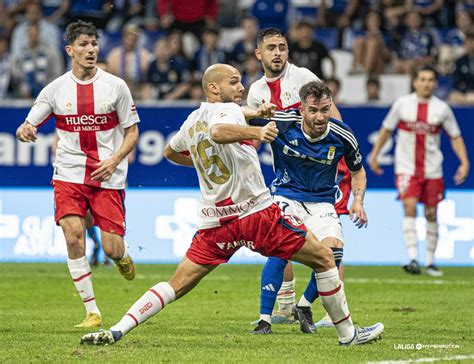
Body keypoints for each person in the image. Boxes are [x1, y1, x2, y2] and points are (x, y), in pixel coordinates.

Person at [80, 63, 384, 346]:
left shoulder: (192, 120)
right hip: (255, 215)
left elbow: (171, 153)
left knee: (176, 284)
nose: (241, 87)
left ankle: (118, 329)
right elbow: (219, 130)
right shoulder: (227, 112)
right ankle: (348, 334)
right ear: (213, 88)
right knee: (325, 259)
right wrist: (256, 131)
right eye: (234, 82)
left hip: (216, 224)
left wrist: (205, 159)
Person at [15, 20, 139, 328]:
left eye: (94, 44)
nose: (90, 50)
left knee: (112, 248)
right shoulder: (56, 89)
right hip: (68, 174)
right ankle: (92, 312)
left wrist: (115, 159)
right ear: (70, 50)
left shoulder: (115, 86)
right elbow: (29, 124)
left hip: (107, 176)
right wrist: (25, 129)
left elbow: (133, 132)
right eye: (83, 45)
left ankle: (121, 257)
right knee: (73, 237)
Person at [247, 27, 351, 326]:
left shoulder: (303, 76)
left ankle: (334, 313)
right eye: (271, 48)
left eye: (282, 47)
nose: (277, 53)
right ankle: (287, 307)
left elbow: (332, 115)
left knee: (332, 245)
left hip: (323, 173)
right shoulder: (256, 91)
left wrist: (341, 160)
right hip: (286, 176)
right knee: (282, 242)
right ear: (259, 54)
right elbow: (256, 135)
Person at [249, 81, 369, 335]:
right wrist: (258, 124)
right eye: (313, 110)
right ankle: (264, 320)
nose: (320, 117)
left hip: (322, 202)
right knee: (281, 249)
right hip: (285, 196)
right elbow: (241, 120)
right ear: (302, 109)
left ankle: (303, 306)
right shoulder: (283, 122)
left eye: (325, 110)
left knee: (334, 251)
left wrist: (357, 200)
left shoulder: (343, 135)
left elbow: (358, 172)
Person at [369, 65, 470, 276]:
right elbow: (386, 129)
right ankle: (413, 258)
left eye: (430, 79)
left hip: (433, 169)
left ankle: (431, 262)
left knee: (432, 213)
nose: (426, 83)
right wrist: (375, 155)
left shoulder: (442, 109)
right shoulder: (402, 104)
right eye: (422, 79)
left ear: (435, 83)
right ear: (415, 82)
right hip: (406, 168)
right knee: (409, 206)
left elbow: (456, 136)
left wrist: (464, 162)